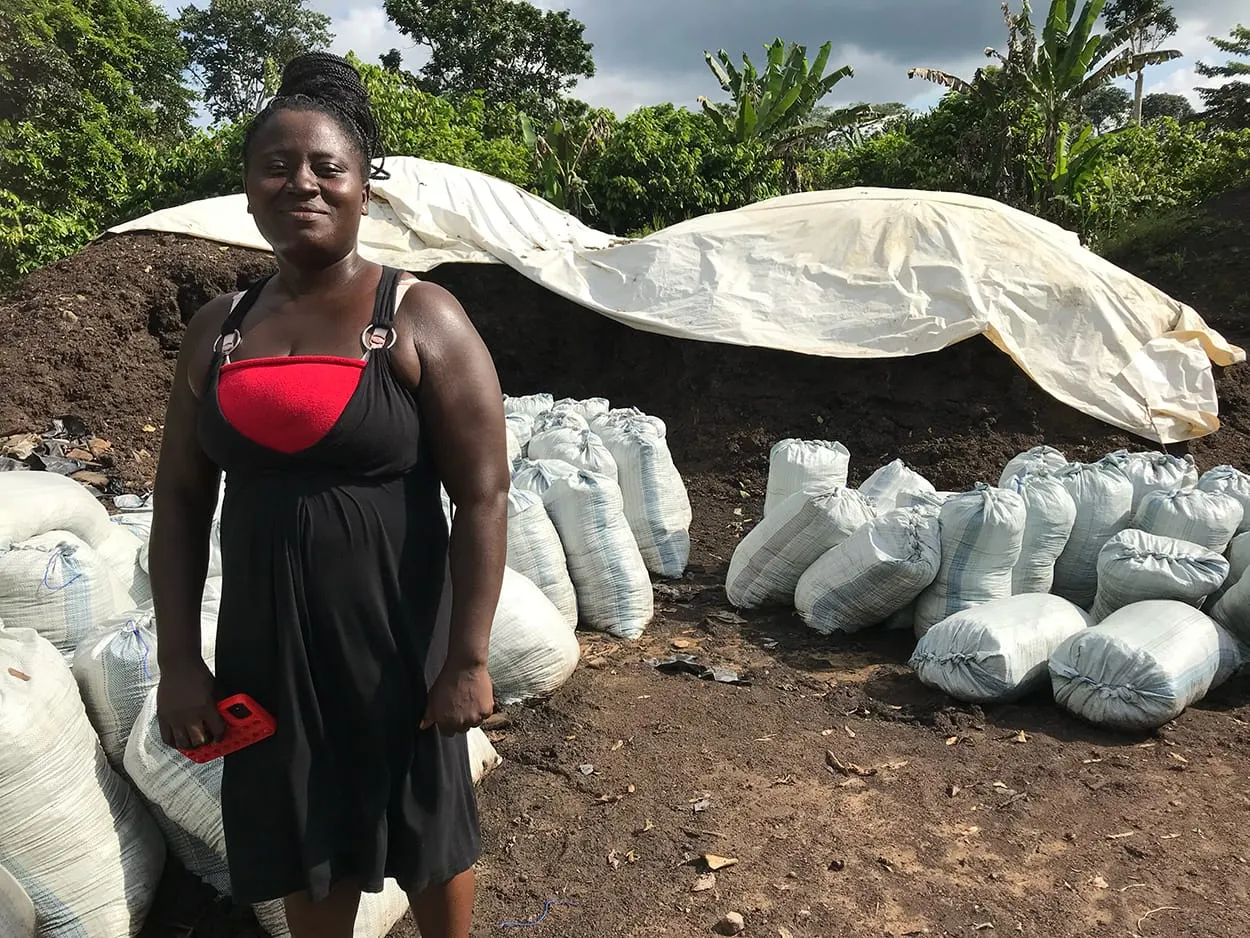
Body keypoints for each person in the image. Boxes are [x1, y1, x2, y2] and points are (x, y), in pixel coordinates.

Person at [148, 52, 508, 938]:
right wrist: (180, 663)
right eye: (276, 166)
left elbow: (487, 495)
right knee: (300, 823)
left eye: (326, 167)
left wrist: (464, 658)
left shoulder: (420, 315)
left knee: (425, 823)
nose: (300, 183)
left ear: (362, 192)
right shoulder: (218, 330)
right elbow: (182, 506)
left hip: (396, 636)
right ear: (246, 190)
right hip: (267, 644)